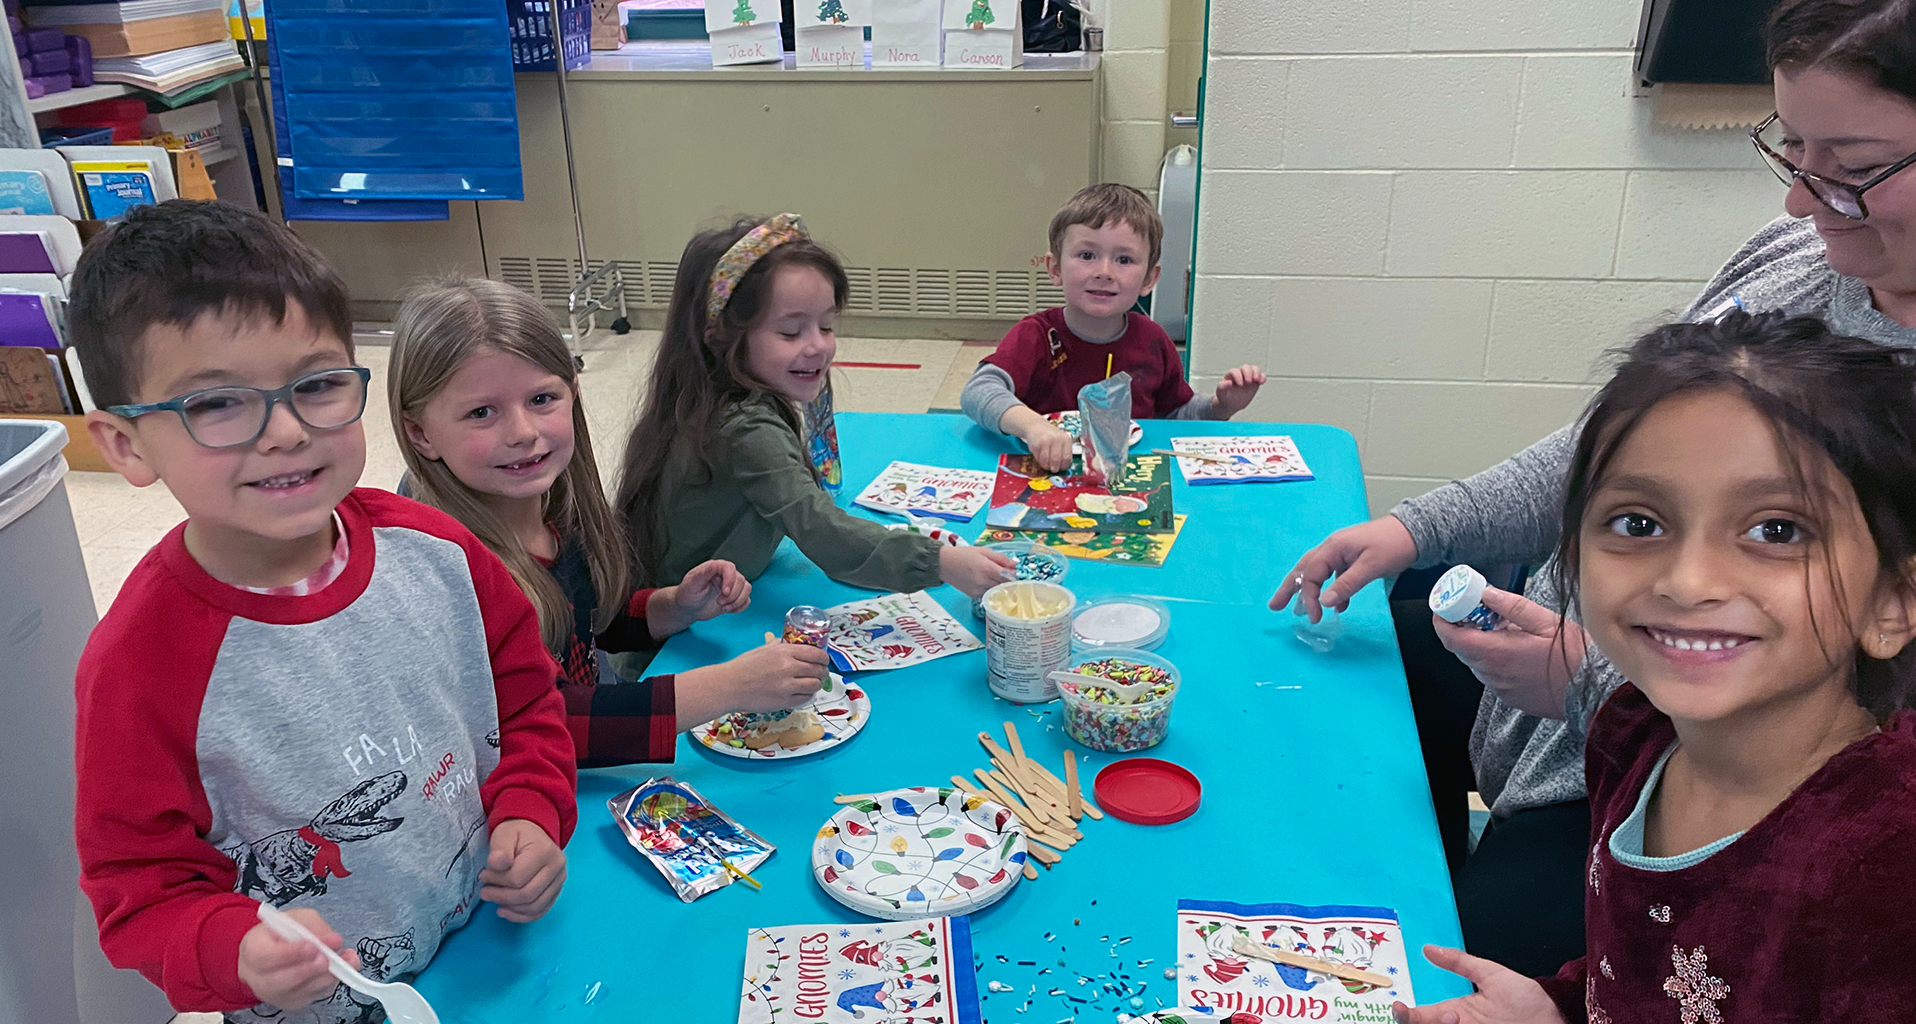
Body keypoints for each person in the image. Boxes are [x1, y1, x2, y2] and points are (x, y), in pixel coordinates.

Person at [1271, 0, 1916, 975]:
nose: (1799, 200)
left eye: (1852, 166)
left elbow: (1849, 742)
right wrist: (1417, 531)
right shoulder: (1794, 251)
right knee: (1324, 673)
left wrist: (1599, 686)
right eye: (1791, 150)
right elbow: (1600, 452)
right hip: (1569, 690)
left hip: (1665, 763)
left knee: (1448, 962)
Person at [68, 202, 577, 1023]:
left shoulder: (437, 549)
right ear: (126, 445)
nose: (287, 432)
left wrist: (531, 810)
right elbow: (138, 888)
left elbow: (526, 704)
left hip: (491, 949)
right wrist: (231, 947)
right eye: (218, 405)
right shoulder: (140, 664)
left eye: (316, 385)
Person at [1395, 314, 1916, 1023]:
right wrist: (1559, 1007)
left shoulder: (1886, 868)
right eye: (1639, 523)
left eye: (1777, 530)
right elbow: (1643, 972)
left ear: (1892, 603)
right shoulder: (1634, 734)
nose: (1687, 579)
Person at [388, 277, 831, 768]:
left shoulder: (553, 504)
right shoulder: (449, 570)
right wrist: (726, 687)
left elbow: (590, 623)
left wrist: (673, 607)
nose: (523, 433)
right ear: (419, 433)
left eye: (541, 400)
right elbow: (551, 722)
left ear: (573, 393)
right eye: (481, 412)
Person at [615, 213, 1015, 594]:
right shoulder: (743, 430)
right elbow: (819, 528)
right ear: (720, 336)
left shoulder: (709, 395)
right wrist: (940, 562)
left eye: (826, 325)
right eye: (791, 331)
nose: (819, 345)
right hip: (674, 641)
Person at [960, 182, 1267, 470]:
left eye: (1124, 260)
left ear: (1149, 279)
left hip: (1130, 477)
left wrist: (1220, 407)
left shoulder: (1153, 340)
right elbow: (978, 391)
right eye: (1087, 255)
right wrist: (1033, 426)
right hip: (1047, 475)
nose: (1104, 272)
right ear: (1054, 269)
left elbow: (1175, 414)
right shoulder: (1037, 335)